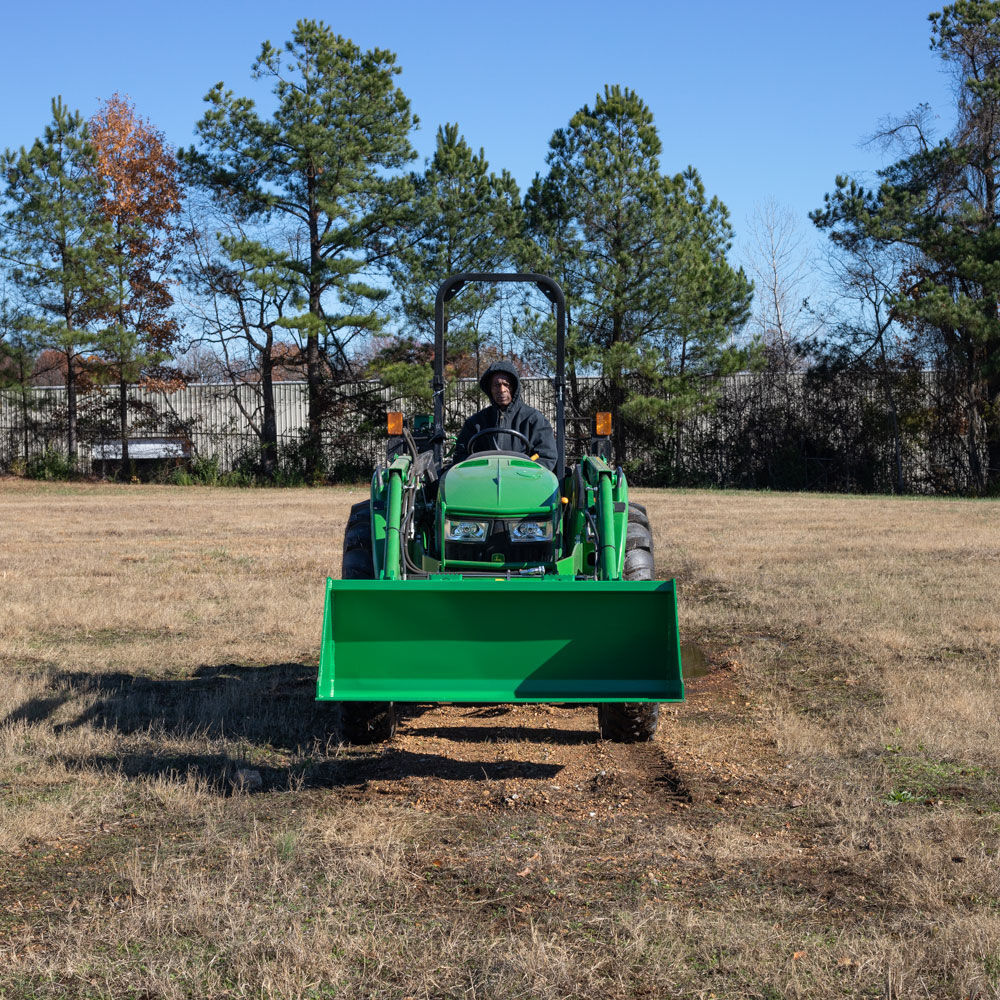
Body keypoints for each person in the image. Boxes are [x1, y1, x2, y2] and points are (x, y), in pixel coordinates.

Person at [453, 361, 558, 471]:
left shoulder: (533, 419)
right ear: (490, 389)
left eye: (506, 385)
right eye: (496, 385)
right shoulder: (475, 423)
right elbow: (461, 456)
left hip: (523, 480)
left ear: (514, 387)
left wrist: (525, 470)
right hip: (483, 481)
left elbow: (546, 456)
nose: (502, 390)